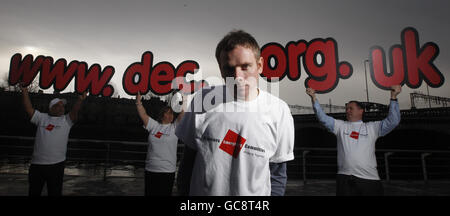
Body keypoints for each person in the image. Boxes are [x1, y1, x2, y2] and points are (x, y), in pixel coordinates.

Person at [175, 30, 295, 196]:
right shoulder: (203, 100)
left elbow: (277, 174)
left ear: (260, 65)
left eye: (245, 67)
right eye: (229, 68)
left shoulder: (279, 111)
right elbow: (187, 164)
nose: (238, 76)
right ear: (221, 69)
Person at [305, 85, 402, 196]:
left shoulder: (372, 127)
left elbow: (393, 121)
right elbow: (322, 118)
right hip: (345, 177)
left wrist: (393, 97)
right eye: (347, 109)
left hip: (369, 179)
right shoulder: (340, 126)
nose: (348, 111)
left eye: (351, 108)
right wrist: (313, 98)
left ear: (361, 111)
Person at [20, 83, 87, 196]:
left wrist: (80, 100)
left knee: (55, 193)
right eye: (58, 105)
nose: (61, 108)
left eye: (62, 106)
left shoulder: (66, 120)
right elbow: (28, 108)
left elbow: (75, 111)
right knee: (34, 192)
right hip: (37, 165)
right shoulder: (41, 118)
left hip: (57, 166)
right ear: (51, 108)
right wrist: (24, 91)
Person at [135, 92, 185, 196]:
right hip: (151, 170)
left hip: (167, 171)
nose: (171, 115)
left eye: (172, 113)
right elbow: (143, 114)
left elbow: (182, 114)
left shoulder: (175, 127)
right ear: (163, 114)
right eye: (168, 112)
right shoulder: (154, 125)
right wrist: (138, 101)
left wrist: (182, 100)